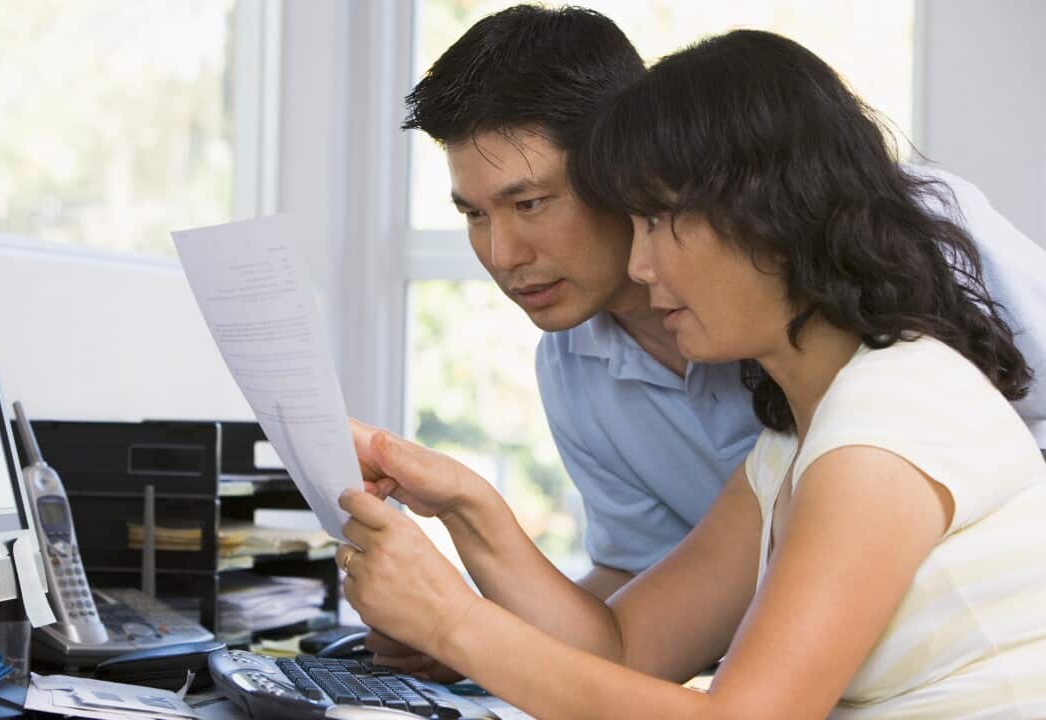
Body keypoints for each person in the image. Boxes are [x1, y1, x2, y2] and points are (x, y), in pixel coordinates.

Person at [339, 28, 1046, 718]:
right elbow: (623, 649)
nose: (641, 268)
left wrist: (449, 621)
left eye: (660, 222)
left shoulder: (886, 423)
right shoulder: (792, 445)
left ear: (769, 212)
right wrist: (469, 508)